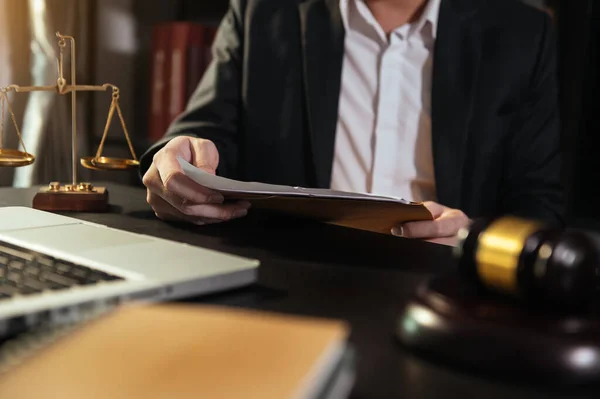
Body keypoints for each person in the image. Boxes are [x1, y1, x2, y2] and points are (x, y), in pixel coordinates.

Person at [140, 0, 564, 246]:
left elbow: (539, 208)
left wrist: (470, 239)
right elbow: (204, 131)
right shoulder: (264, 10)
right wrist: (179, 159)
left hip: (444, 295)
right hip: (293, 281)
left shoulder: (521, 34)